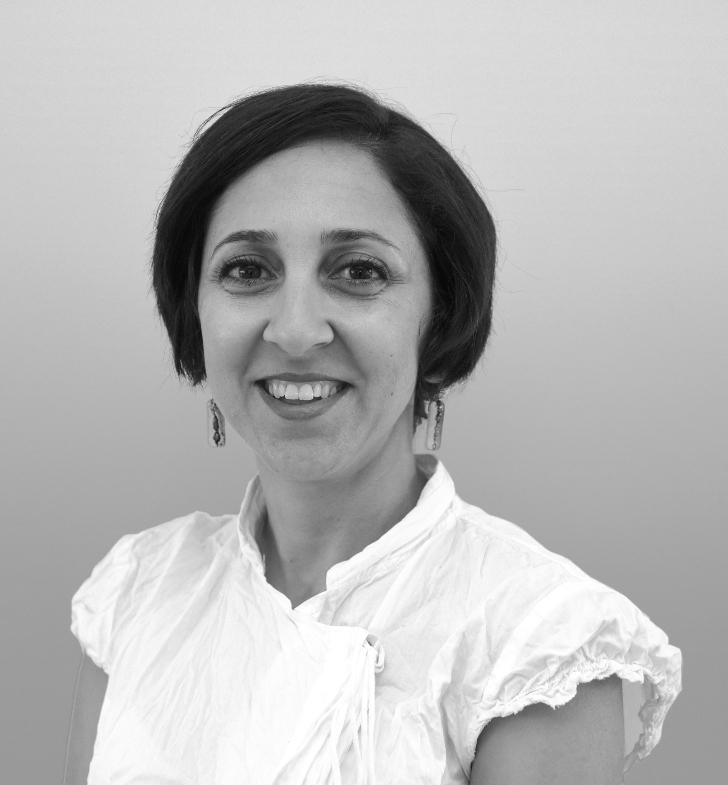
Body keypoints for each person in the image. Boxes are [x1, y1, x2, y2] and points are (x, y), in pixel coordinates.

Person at [64, 83, 682, 785]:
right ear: (194, 312)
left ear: (439, 318)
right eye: (247, 270)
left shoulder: (536, 643)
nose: (296, 330)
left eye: (359, 271)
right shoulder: (142, 590)